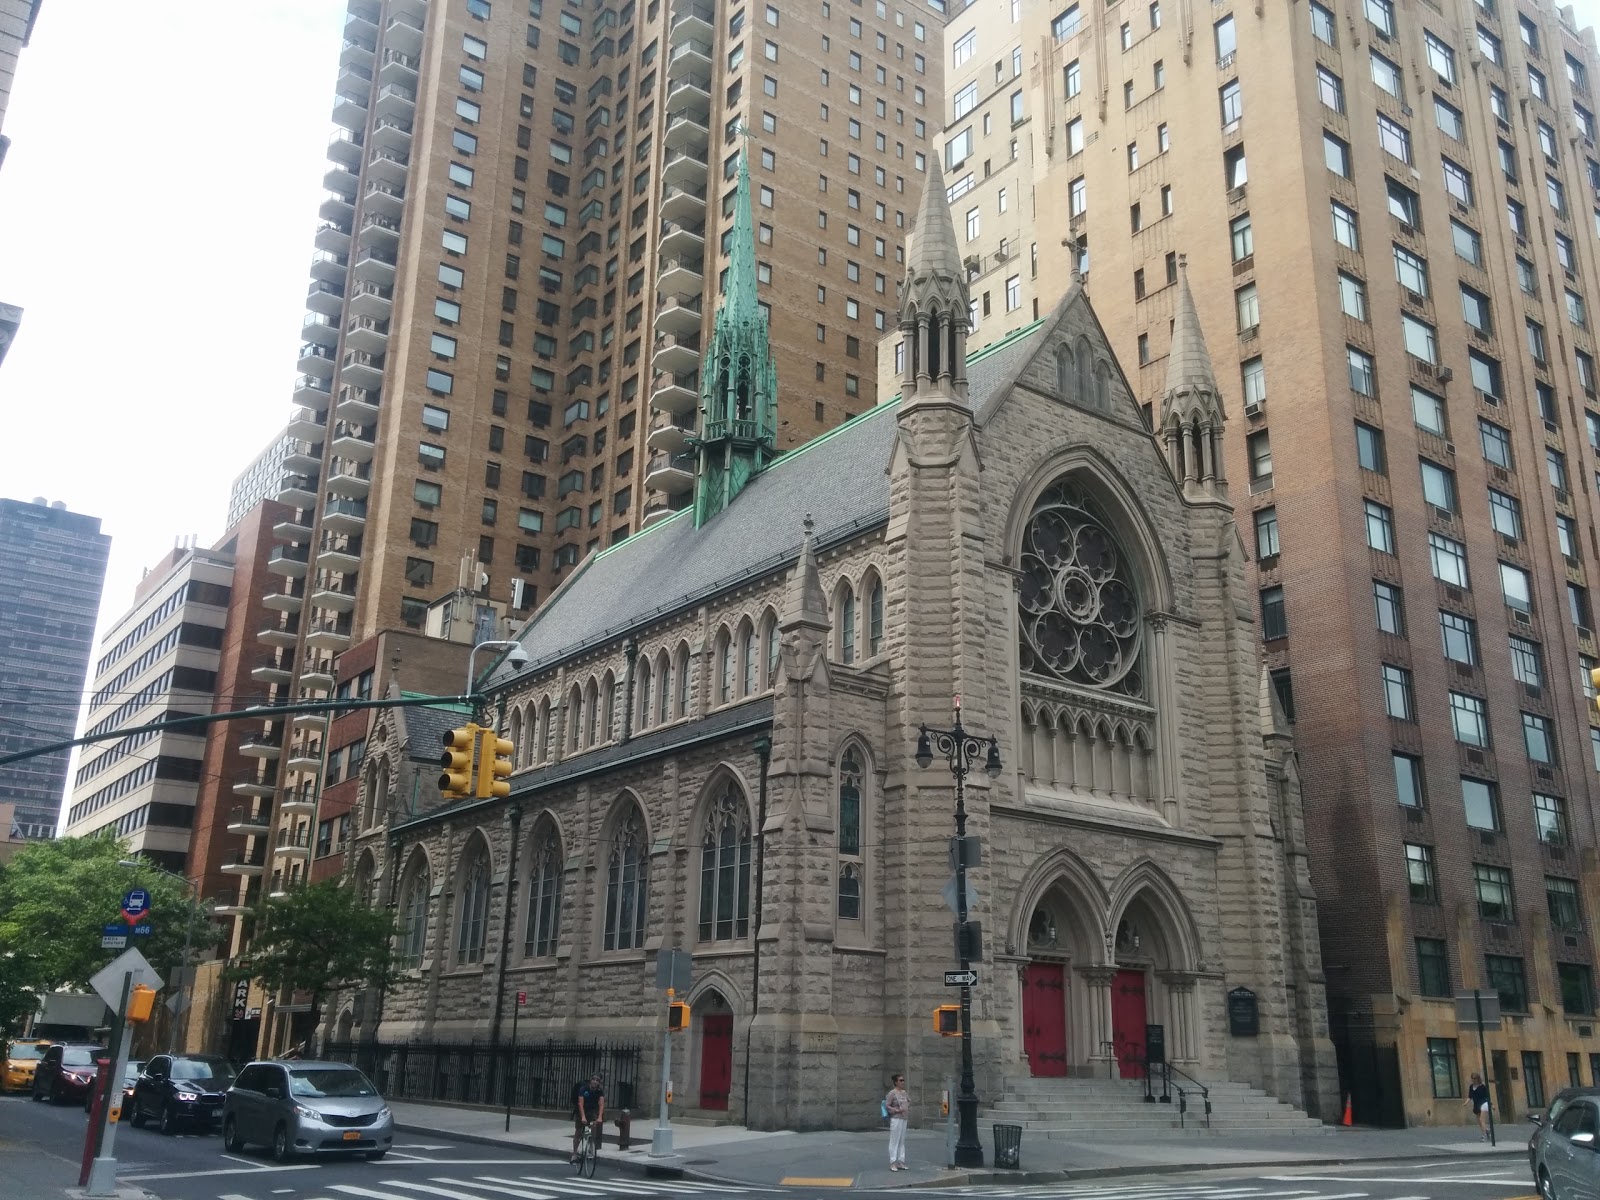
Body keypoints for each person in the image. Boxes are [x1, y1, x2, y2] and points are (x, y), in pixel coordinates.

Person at [572, 1073, 605, 1163]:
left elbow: (601, 1105)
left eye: (597, 1080)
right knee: (578, 1132)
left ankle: (591, 1144)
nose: (595, 1081)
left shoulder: (599, 1091)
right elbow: (580, 1104)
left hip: (592, 1111)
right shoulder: (584, 1089)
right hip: (581, 1111)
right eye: (593, 1079)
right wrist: (583, 1117)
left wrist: (600, 1117)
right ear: (590, 1080)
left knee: (594, 1126)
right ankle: (574, 1154)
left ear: (599, 1082)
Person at [884, 1073, 909, 1171]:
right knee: (894, 1141)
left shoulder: (904, 1092)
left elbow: (909, 1101)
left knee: (902, 1141)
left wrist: (905, 1107)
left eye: (903, 1080)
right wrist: (896, 1110)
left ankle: (900, 1161)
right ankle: (892, 1162)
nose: (903, 1082)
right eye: (900, 1080)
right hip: (896, 1118)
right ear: (896, 1082)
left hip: (904, 1118)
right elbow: (887, 1105)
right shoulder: (892, 1093)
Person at [1467, 1072, 1490, 1140]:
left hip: (1483, 1104)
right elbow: (1470, 1096)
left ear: (1478, 1079)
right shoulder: (1471, 1087)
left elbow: (1487, 1097)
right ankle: (1487, 1130)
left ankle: (1484, 1136)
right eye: (1472, 1078)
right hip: (1476, 1105)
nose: (1473, 1080)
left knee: (1481, 1119)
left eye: (1475, 1078)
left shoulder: (1482, 1087)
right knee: (1479, 1122)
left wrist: (1491, 1105)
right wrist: (1465, 1103)